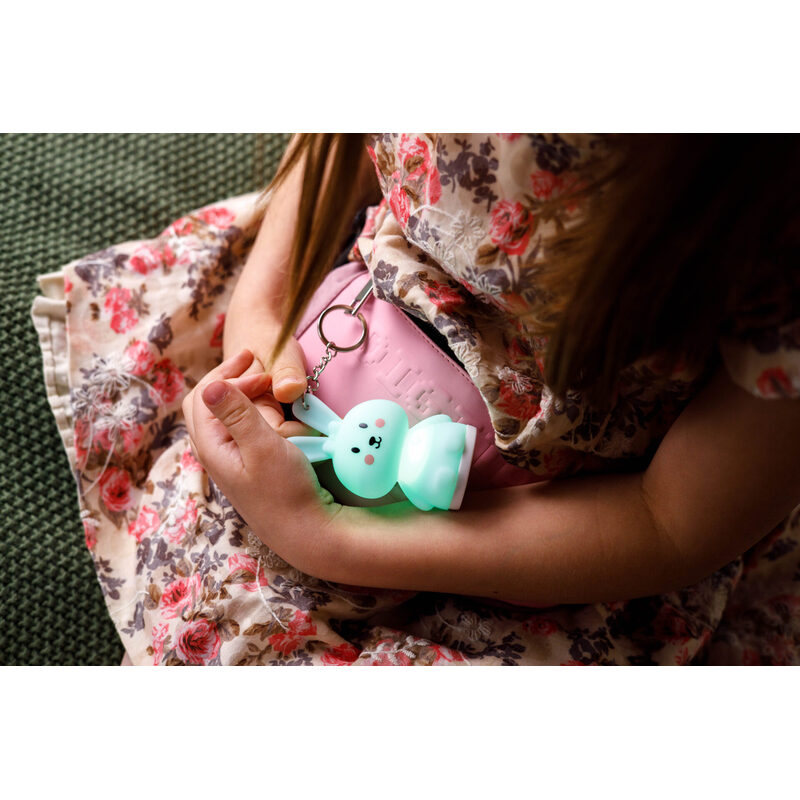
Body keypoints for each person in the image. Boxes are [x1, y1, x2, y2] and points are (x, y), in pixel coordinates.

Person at [44, 133, 800, 665]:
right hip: (327, 306)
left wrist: (325, 537)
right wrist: (262, 313)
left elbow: (669, 520)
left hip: (553, 542)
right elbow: (339, 139)